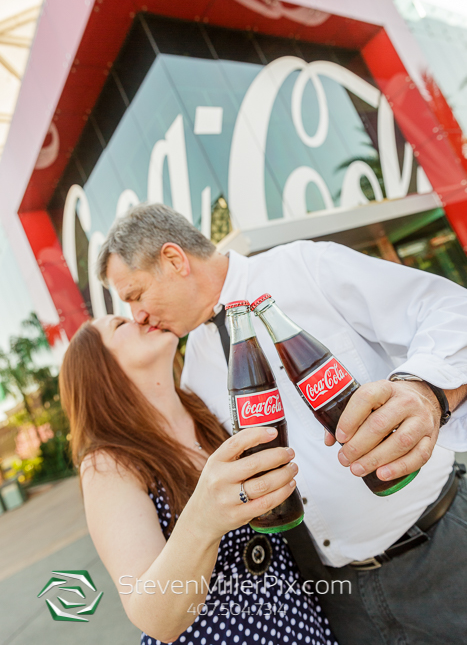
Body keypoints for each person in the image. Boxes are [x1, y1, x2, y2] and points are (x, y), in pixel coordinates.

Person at [97, 203, 467, 645]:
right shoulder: (193, 368)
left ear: (174, 260)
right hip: (337, 600)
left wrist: (424, 392)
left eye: (135, 294)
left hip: (440, 548)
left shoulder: (304, 267)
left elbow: (451, 310)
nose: (137, 314)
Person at [59, 314, 339, 645]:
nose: (139, 317)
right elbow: (155, 618)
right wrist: (203, 520)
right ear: (97, 370)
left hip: (298, 622)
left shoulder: (208, 410)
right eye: (120, 325)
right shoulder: (108, 463)